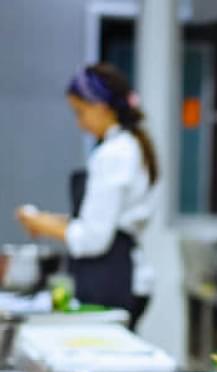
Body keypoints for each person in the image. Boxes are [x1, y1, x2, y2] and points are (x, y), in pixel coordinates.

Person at [16, 63, 157, 330]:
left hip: (113, 280)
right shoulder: (129, 146)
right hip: (120, 275)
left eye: (80, 112)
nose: (79, 123)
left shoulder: (114, 154)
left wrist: (42, 224)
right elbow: (102, 218)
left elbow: (94, 238)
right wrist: (50, 220)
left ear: (101, 107)